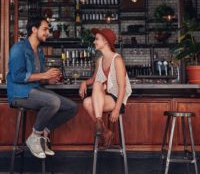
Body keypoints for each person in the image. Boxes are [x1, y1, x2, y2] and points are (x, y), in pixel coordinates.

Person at [7, 17, 78, 159]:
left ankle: (43, 134)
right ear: (34, 29)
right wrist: (44, 75)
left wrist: (49, 79)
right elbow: (17, 76)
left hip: (36, 90)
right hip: (19, 93)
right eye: (45, 29)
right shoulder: (18, 48)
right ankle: (34, 136)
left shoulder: (39, 51)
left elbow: (39, 77)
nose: (48, 33)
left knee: (72, 107)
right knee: (53, 102)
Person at [79, 28, 132, 148]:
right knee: (87, 102)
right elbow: (93, 79)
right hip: (105, 97)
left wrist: (117, 109)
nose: (94, 42)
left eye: (97, 39)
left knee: (97, 85)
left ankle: (100, 128)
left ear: (106, 41)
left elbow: (122, 86)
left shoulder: (117, 59)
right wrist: (84, 83)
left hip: (117, 99)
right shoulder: (100, 60)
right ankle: (105, 130)